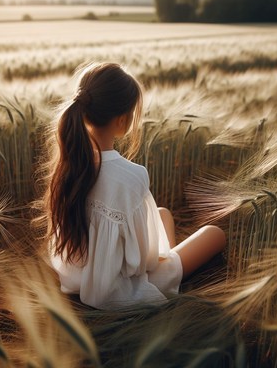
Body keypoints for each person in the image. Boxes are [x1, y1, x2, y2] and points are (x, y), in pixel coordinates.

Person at [44, 62, 226, 310]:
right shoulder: (132, 176)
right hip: (120, 290)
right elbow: (145, 261)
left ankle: (171, 278)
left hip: (79, 280)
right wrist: (161, 263)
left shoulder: (68, 165)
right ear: (122, 121)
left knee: (163, 214)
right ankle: (170, 286)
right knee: (214, 234)